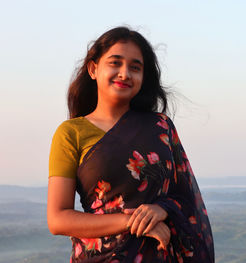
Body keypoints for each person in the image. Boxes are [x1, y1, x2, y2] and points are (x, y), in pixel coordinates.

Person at [47, 26, 214, 263]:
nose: (125, 73)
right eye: (115, 63)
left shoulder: (161, 127)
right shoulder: (71, 133)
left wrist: (162, 209)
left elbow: (186, 198)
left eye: (135, 67)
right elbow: (58, 219)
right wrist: (133, 222)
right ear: (93, 69)